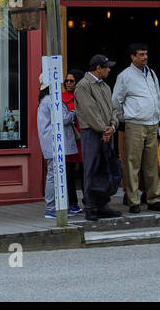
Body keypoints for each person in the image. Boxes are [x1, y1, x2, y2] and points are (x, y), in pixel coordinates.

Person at [111, 43, 160, 213]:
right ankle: (133, 200)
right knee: (133, 163)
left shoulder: (151, 73)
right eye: (141, 54)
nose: (145, 57)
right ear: (132, 57)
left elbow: (157, 97)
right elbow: (116, 101)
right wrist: (124, 118)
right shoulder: (124, 76)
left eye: (146, 54)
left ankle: (154, 198)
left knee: (151, 164)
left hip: (152, 123)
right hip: (134, 124)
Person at [74, 54, 121, 220]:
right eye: (106, 67)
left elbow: (114, 109)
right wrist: (104, 129)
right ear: (98, 68)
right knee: (92, 169)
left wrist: (113, 126)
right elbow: (89, 111)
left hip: (107, 132)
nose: (109, 69)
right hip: (92, 133)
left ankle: (102, 203)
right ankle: (91, 206)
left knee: (106, 169)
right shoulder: (83, 86)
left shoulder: (105, 87)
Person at [38, 72, 81, 218]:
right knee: (54, 174)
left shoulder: (44, 99)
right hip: (54, 142)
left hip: (50, 142)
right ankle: (51, 208)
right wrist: (74, 113)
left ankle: (60, 206)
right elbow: (63, 118)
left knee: (55, 174)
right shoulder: (52, 99)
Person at [62, 71, 83, 210]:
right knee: (69, 174)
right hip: (70, 140)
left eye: (72, 81)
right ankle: (72, 203)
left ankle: (89, 201)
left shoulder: (83, 96)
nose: (68, 83)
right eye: (67, 81)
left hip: (83, 139)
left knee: (84, 173)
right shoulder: (62, 97)